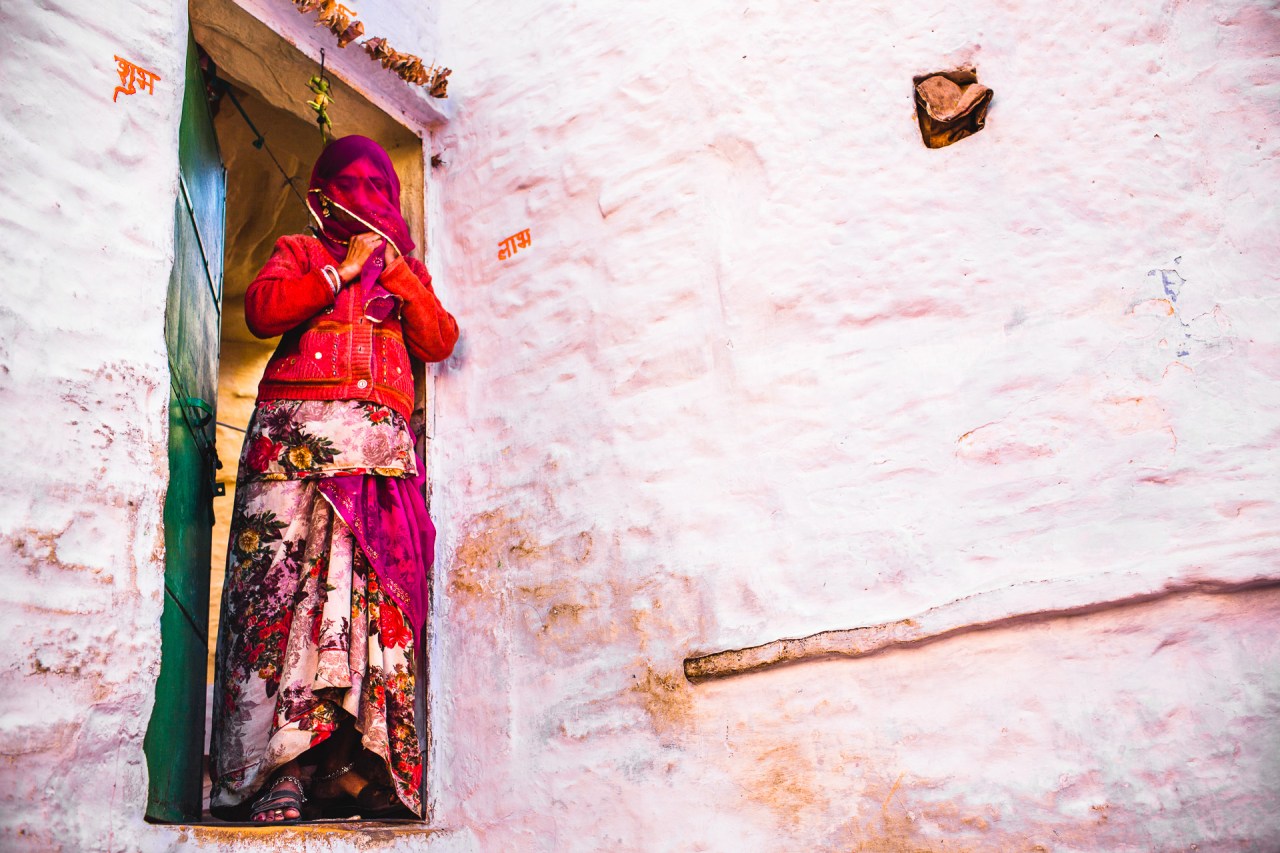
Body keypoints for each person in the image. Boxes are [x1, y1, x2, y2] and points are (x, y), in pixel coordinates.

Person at [208, 135, 458, 824]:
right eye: (350, 187)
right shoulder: (301, 250)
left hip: (376, 463)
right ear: (322, 194)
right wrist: (341, 274)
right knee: (282, 605)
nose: (366, 202)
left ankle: (366, 768)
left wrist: (398, 277)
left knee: (369, 614)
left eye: (378, 189)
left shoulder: (409, 274)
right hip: (290, 460)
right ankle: (279, 771)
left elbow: (439, 340)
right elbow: (262, 312)